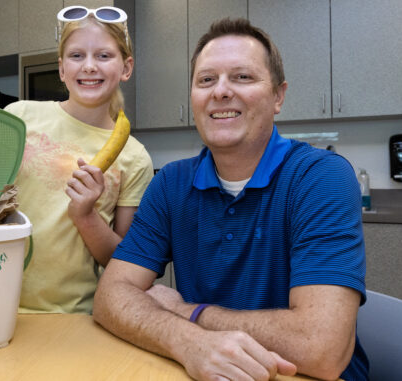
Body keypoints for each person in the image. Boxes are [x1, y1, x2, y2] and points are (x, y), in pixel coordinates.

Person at [92, 18, 368, 381]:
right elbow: (109, 296)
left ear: (278, 96)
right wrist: (187, 341)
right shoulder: (171, 183)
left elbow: (321, 349)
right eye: (206, 80)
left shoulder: (320, 177)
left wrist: (191, 314)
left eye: (242, 77)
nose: (220, 91)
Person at [0, 6, 153, 314]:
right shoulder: (20, 117)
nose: (90, 66)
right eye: (77, 55)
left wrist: (85, 215)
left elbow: (121, 259)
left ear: (126, 67)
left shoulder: (134, 156)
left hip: (73, 315)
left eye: (104, 56)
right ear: (61, 68)